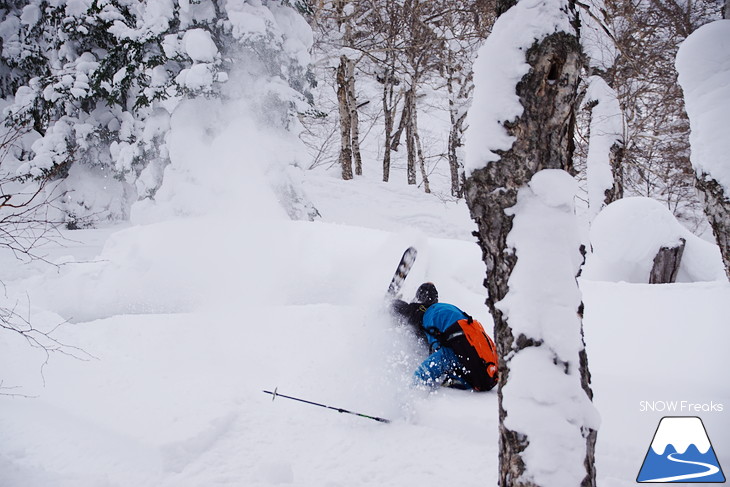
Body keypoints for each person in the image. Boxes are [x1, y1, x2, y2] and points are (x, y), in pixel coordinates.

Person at [391, 282, 498, 391]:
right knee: (412, 313)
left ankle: (423, 295)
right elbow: (429, 368)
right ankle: (390, 305)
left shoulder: (485, 366)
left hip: (449, 313)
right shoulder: (466, 360)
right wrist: (414, 386)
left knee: (422, 308)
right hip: (432, 316)